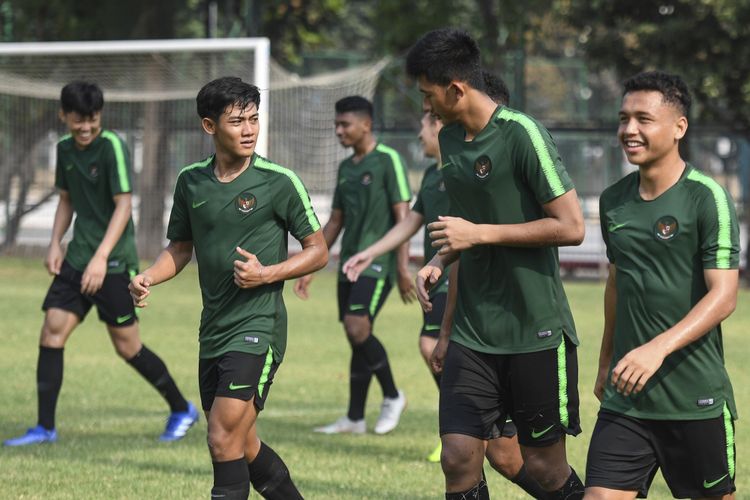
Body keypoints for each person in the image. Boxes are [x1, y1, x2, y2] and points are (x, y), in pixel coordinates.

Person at [342, 74, 546, 496]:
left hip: (511, 323)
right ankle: (462, 430)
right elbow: (415, 227)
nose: (423, 128)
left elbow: (564, 226)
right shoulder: (441, 177)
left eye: (429, 118)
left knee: (516, 459)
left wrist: (436, 263)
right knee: (462, 456)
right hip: (460, 312)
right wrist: (378, 253)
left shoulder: (504, 158)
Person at [406, 28, 586, 499]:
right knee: (458, 456)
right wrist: (442, 263)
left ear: (456, 88)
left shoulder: (523, 134)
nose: (426, 108)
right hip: (473, 333)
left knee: (545, 469)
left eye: (428, 96)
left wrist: (476, 234)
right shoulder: (450, 141)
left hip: (535, 331)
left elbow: (571, 226)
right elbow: (469, 234)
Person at [129, 77, 327, 500]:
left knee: (221, 435)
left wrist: (267, 273)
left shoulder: (279, 181)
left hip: (259, 327)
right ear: (209, 126)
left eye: (254, 119)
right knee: (242, 442)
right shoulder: (191, 182)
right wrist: (149, 275)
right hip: (213, 329)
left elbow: (319, 251)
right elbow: (179, 249)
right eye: (238, 121)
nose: (250, 129)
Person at [3, 81, 197, 447]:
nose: (86, 127)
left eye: (92, 120)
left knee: (127, 347)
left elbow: (124, 204)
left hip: (113, 262)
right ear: (64, 116)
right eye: (78, 120)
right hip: (78, 258)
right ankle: (45, 427)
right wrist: (54, 244)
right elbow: (66, 199)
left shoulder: (112, 148)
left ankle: (181, 408)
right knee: (52, 332)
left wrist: (101, 258)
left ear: (100, 117)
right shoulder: (64, 149)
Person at [585, 71, 739, 500]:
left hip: (694, 400)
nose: (629, 130)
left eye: (643, 119)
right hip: (627, 400)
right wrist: (605, 361)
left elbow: (724, 296)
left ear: (679, 128)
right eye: (623, 119)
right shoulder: (613, 200)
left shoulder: (707, 198)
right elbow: (616, 284)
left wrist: (656, 348)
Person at [294, 96, 413, 435]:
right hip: (348, 264)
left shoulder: (389, 160)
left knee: (357, 327)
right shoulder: (346, 168)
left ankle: (393, 395)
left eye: (345, 124)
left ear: (366, 124)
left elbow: (403, 217)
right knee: (356, 335)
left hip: (378, 264)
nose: (338, 130)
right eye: (336, 124)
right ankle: (355, 418)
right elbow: (335, 223)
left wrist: (403, 268)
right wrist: (311, 267)